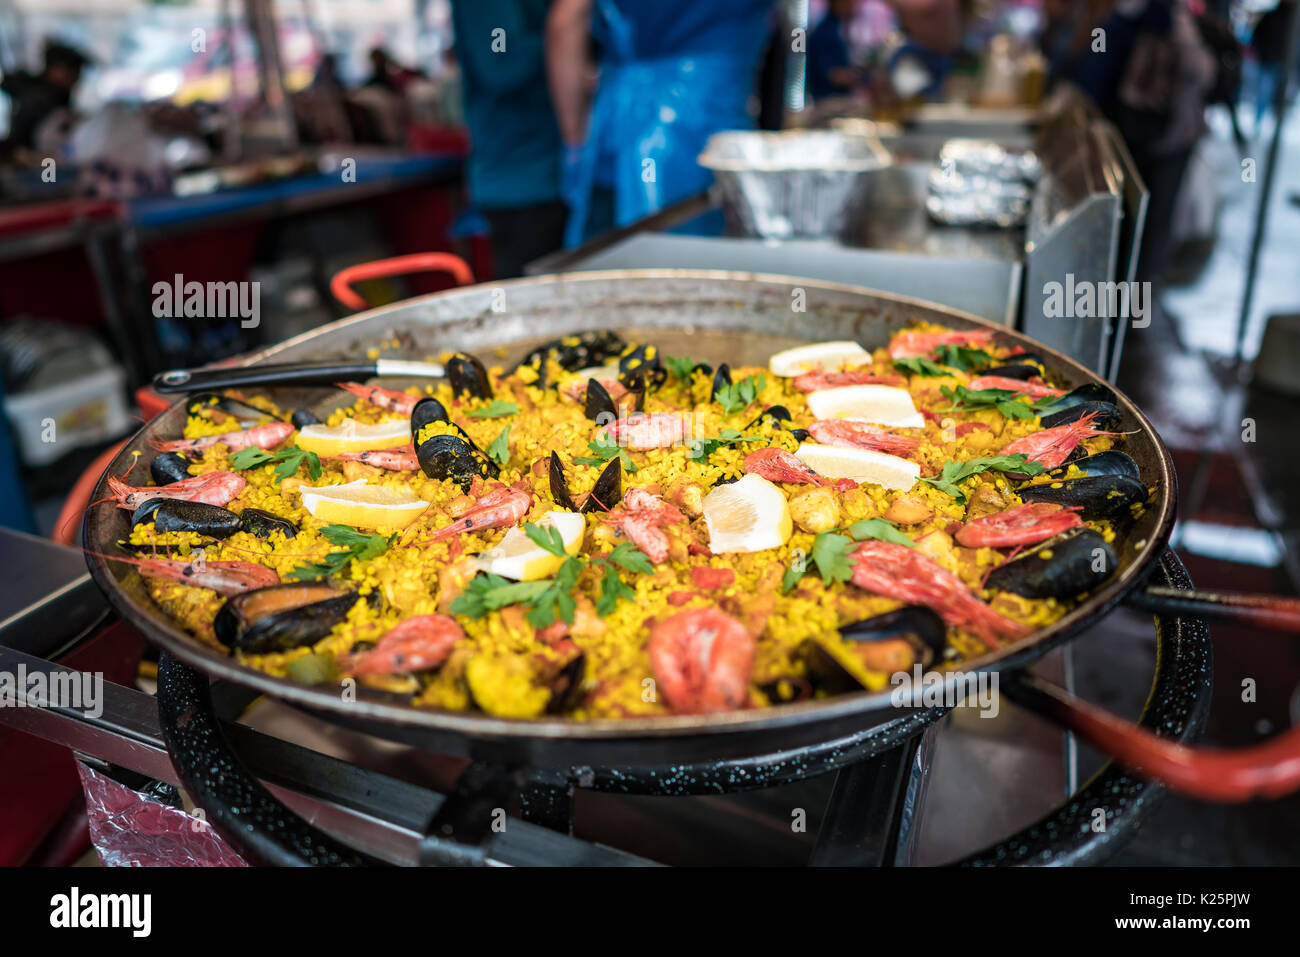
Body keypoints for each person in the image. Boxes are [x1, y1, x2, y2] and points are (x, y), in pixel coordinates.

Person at [546, 0, 775, 246]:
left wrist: (575, 142)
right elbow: (566, 21)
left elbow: (566, 22)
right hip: (702, 130)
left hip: (630, 129)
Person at [450, 1, 567, 278]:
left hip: (554, 173)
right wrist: (570, 34)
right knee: (533, 305)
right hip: (522, 182)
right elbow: (502, 61)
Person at [1, 41, 89, 154]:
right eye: (73, 71)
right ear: (56, 69)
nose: (76, 78)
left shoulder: (53, 95)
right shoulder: (39, 98)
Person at [1250, 0, 1297, 134]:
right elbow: (1257, 37)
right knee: (1266, 92)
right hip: (1272, 60)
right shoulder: (1274, 17)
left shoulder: (1287, 19)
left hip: (1278, 61)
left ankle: (1270, 122)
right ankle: (1263, 122)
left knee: (1271, 92)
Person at [807, 0, 863, 102]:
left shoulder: (836, 29)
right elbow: (834, 76)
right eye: (849, 2)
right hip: (828, 102)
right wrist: (863, 78)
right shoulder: (825, 34)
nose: (853, 6)